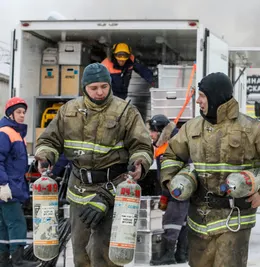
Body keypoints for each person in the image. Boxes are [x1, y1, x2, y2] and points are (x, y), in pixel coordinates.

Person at [160, 72, 260, 267]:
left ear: (215, 98)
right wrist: (170, 181)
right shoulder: (191, 128)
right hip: (198, 220)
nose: (198, 101)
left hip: (234, 221)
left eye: (202, 96)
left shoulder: (251, 129)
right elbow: (171, 155)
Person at [35, 63, 154, 267]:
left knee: (102, 253)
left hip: (111, 189)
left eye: (104, 87)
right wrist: (45, 156)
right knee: (81, 253)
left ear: (109, 85)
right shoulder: (68, 111)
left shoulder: (126, 112)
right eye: (94, 88)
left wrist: (139, 162)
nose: (100, 92)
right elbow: (49, 140)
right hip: (78, 191)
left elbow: (142, 146)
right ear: (84, 88)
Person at [146, 114, 189, 265]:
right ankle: (182, 254)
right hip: (180, 189)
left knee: (171, 221)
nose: (150, 135)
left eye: (151, 131)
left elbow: (168, 173)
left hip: (177, 190)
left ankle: (167, 254)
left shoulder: (172, 143)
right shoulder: (169, 141)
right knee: (182, 222)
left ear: (159, 130)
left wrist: (166, 194)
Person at [0, 97, 37, 267]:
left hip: (12, 185)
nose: (22, 115)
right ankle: (18, 260)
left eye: (24, 112)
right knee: (17, 222)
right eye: (19, 112)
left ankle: (3, 259)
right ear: (10, 114)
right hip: (8, 187)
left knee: (4, 224)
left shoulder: (17, 134)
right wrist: (3, 184)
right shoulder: (6, 132)